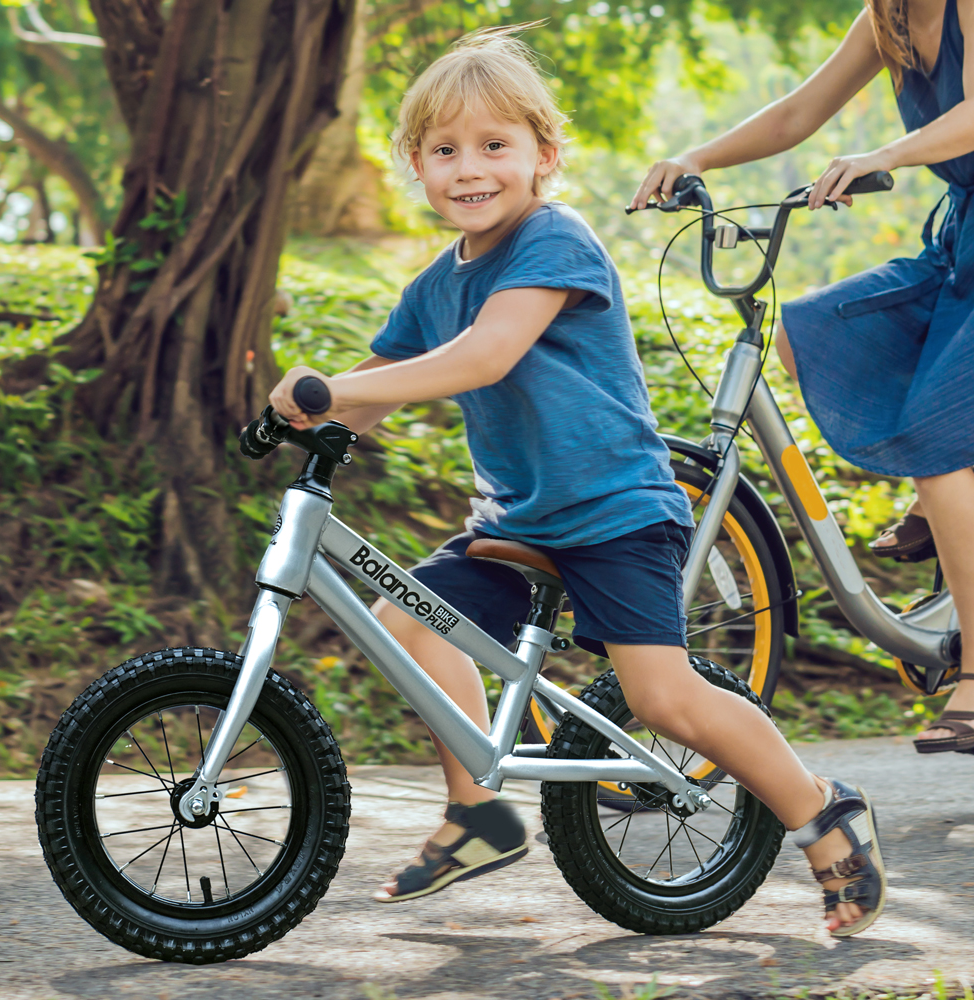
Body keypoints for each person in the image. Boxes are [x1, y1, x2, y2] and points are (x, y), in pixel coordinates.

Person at [269, 27, 886, 935]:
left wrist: (343, 390)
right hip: (519, 519)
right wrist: (309, 412)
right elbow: (373, 391)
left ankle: (822, 810)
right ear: (415, 164)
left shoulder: (554, 239)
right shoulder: (437, 283)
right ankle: (479, 811)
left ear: (544, 156)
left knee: (663, 700)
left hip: (616, 512)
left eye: (494, 146)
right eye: (445, 150)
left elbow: (487, 355)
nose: (469, 168)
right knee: (411, 620)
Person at [631, 0, 974, 754]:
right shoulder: (884, 18)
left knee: (939, 435)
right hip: (961, 240)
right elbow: (797, 113)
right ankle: (943, 514)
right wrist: (698, 159)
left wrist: (883, 156)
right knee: (810, 332)